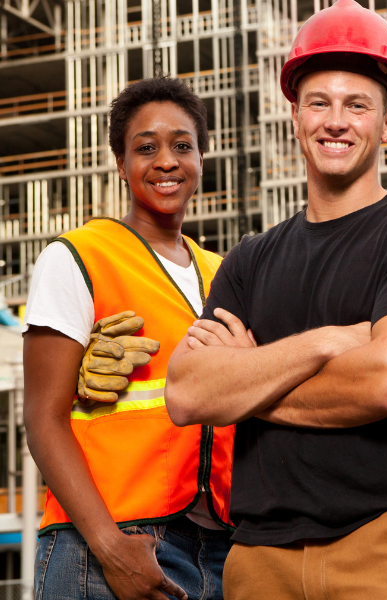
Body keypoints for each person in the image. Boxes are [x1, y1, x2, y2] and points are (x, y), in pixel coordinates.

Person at [163, 1, 387, 598]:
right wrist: (334, 341)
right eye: (319, 103)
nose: (336, 121)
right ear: (295, 116)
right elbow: (187, 393)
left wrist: (248, 384)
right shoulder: (250, 259)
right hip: (257, 561)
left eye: (357, 105)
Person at [23, 76, 234, 600]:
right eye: (146, 147)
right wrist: (109, 545)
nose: (166, 161)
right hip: (105, 545)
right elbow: (42, 418)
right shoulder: (79, 257)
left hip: (217, 548)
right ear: (120, 163)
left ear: (201, 159)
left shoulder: (223, 274)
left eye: (182, 145)